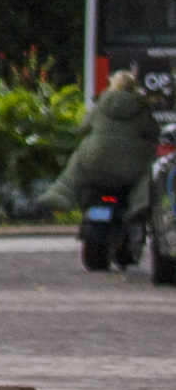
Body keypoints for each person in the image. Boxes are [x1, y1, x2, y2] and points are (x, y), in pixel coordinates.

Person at [58, 54, 169, 264]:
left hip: (96, 166)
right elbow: (153, 133)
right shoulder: (141, 106)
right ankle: (132, 229)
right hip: (127, 170)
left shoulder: (101, 103)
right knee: (140, 194)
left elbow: (83, 128)